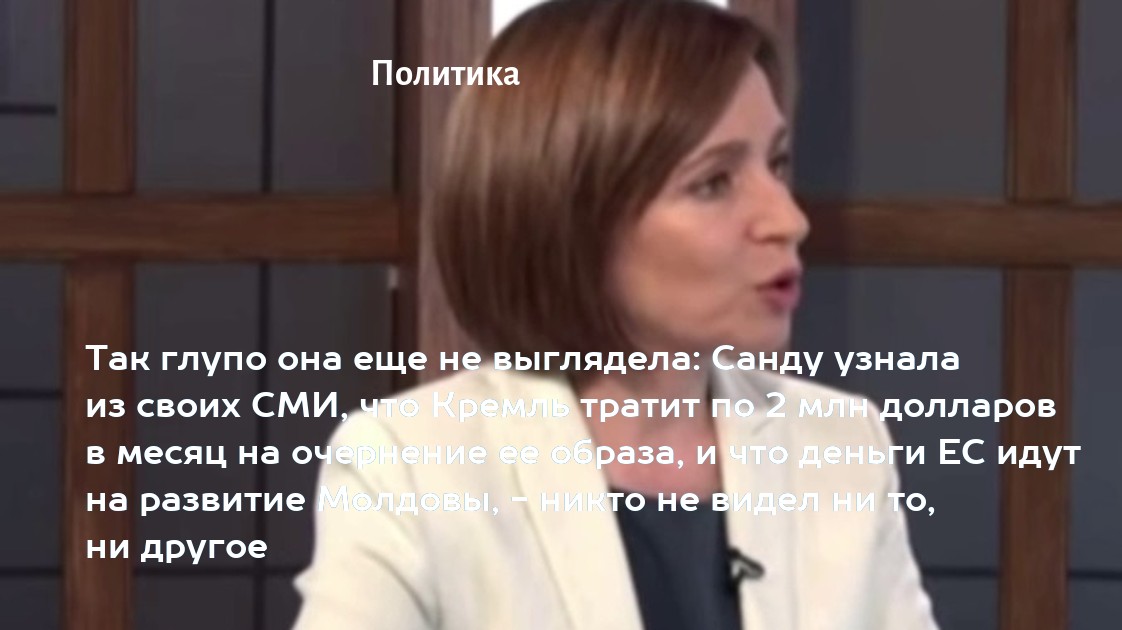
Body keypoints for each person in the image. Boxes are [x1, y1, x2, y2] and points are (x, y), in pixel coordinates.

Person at [292, 1, 939, 628]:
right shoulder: (407, 466)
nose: (789, 220)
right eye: (713, 183)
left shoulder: (843, 446)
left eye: (777, 164)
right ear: (569, 218)